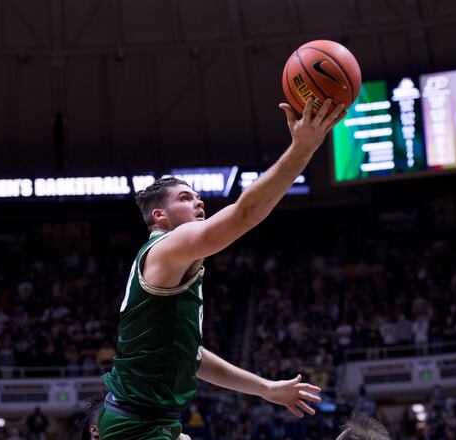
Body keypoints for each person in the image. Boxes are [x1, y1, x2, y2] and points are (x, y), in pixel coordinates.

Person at [98, 97, 346, 439]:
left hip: (151, 421)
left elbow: (191, 357)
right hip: (138, 425)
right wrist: (302, 149)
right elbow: (245, 214)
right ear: (159, 216)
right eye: (185, 198)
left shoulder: (173, 264)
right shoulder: (168, 246)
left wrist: (265, 389)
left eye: (198, 197)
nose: (198, 201)